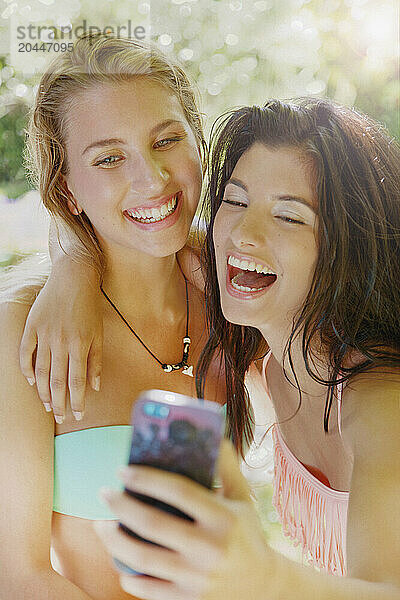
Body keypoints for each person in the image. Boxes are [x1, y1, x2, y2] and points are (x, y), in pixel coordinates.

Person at [24, 98, 400, 599]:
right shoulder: (263, 357)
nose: (245, 234)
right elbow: (129, 219)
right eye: (236, 201)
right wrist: (73, 265)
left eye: (289, 217)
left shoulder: (377, 398)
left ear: (347, 244)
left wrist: (264, 577)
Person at [0, 33, 229, 600]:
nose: (152, 178)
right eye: (108, 157)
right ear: (65, 188)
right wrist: (74, 262)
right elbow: (19, 575)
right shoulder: (25, 328)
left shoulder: (231, 299)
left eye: (167, 140)